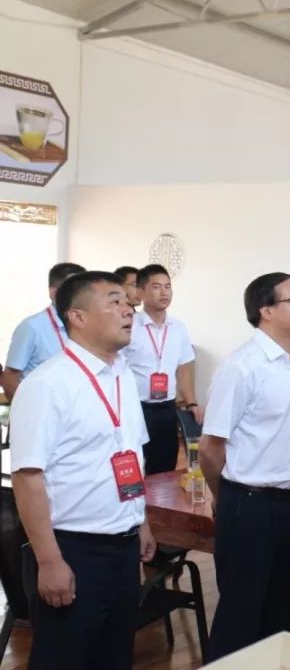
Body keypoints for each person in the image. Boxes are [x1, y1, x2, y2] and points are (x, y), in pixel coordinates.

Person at [10, 271, 156, 669]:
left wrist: (140, 522)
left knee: (114, 656)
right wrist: (49, 561)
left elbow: (130, 455)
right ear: (77, 316)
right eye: (114, 302)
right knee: (64, 658)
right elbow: (27, 478)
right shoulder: (48, 383)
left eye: (127, 301)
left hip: (123, 545)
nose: (128, 309)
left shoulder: (123, 375)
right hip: (73, 549)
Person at [198, 273, 290, 660]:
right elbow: (211, 448)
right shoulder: (242, 367)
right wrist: (227, 498)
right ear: (266, 311)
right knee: (241, 617)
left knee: (281, 613)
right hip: (250, 505)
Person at [124, 264, 200, 474]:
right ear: (140, 292)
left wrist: (191, 401)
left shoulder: (178, 327)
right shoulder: (129, 326)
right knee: (135, 464)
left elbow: (185, 366)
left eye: (168, 286)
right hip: (136, 408)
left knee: (166, 466)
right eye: (156, 287)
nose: (164, 292)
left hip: (167, 408)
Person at [2, 262, 86, 400]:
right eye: (73, 291)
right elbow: (9, 379)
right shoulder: (32, 327)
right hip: (40, 408)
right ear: (54, 293)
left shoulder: (84, 325)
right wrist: (28, 408)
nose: (81, 297)